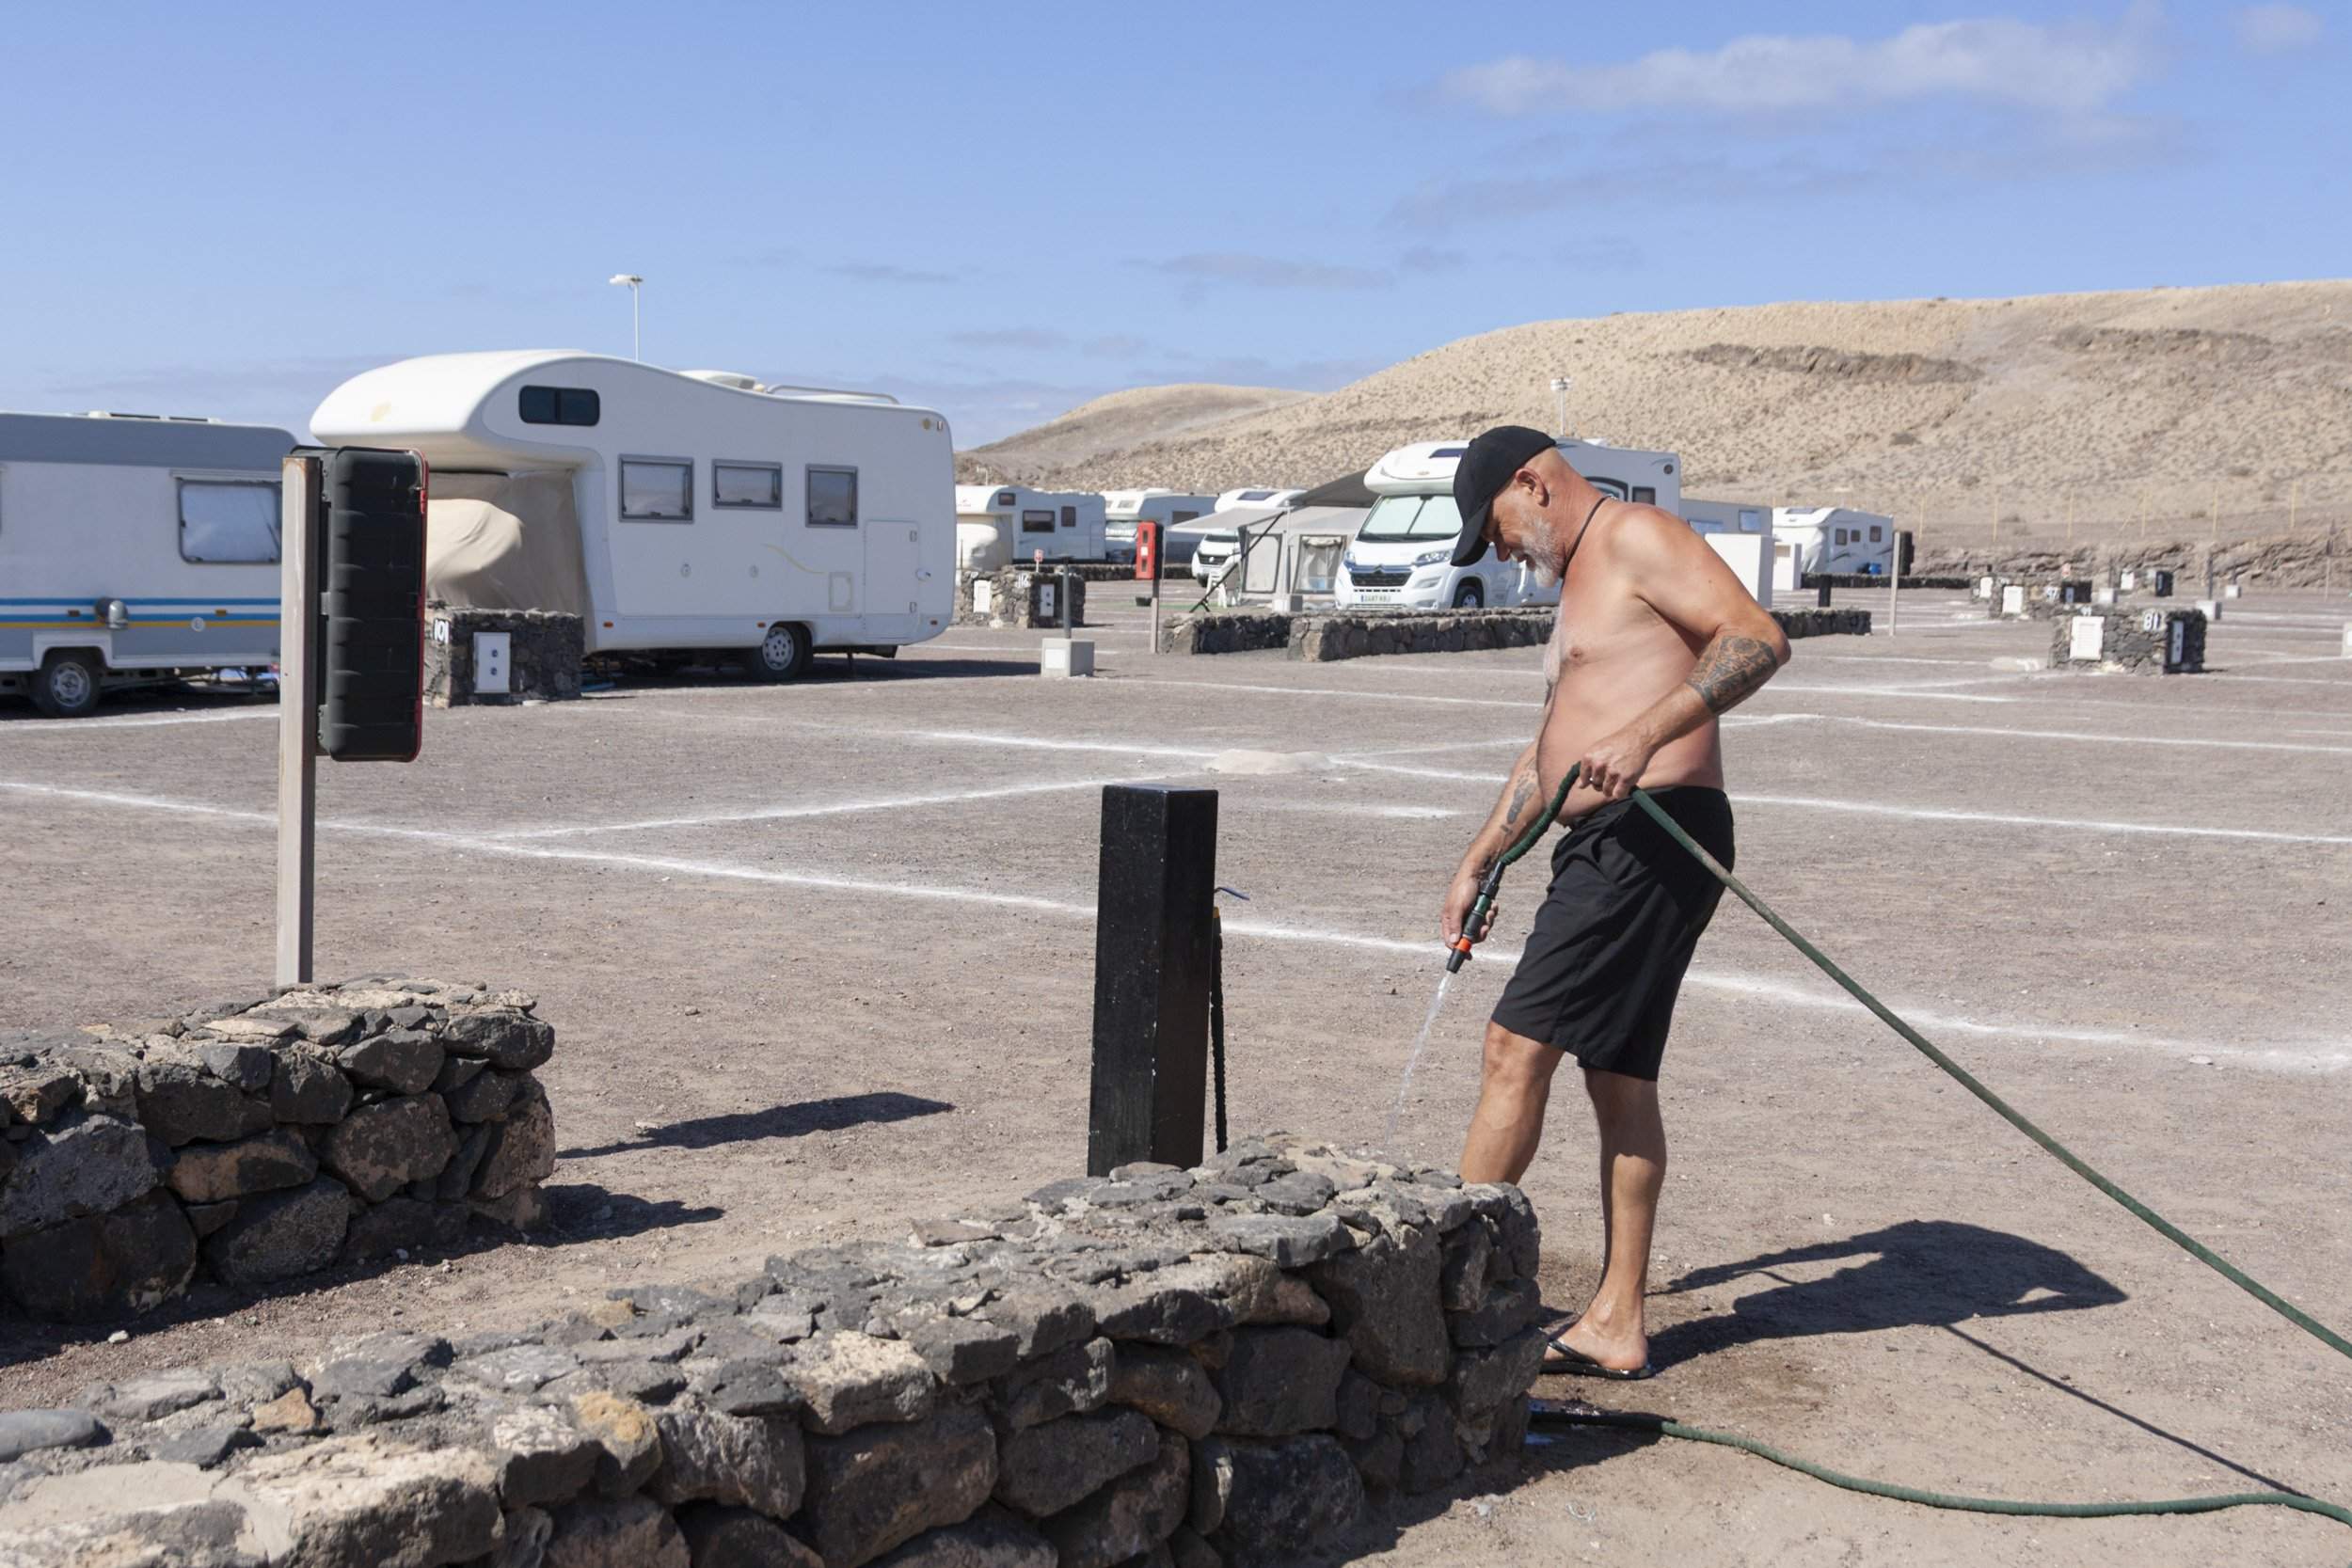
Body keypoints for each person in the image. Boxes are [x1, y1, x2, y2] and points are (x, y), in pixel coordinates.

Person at [1438, 425, 1790, 1379]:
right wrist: (1482, 858)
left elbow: (1757, 637)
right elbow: (1549, 750)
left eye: (1496, 528)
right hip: (1604, 840)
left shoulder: (1634, 536)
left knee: (1513, 1046)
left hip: (1653, 831)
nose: (1500, 552)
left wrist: (1646, 733)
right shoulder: (1582, 583)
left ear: (1532, 483)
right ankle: (1616, 1319)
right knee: (1618, 1076)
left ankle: (1438, 1292)